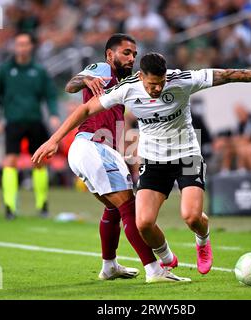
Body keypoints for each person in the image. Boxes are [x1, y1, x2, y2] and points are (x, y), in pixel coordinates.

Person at [32, 52, 251, 280]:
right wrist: (54, 140)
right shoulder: (128, 88)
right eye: (151, 85)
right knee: (144, 223)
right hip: (153, 160)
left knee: (191, 217)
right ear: (141, 78)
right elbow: (85, 110)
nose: (156, 90)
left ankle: (203, 241)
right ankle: (166, 259)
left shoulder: (183, 80)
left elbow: (229, 74)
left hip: (186, 155)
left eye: (160, 83)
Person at [63, 34, 185, 283]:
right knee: (129, 206)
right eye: (126, 53)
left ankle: (109, 266)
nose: (131, 58)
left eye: (134, 54)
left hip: (96, 149)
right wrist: (86, 78)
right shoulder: (103, 68)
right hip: (92, 146)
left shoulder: (126, 83)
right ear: (110, 54)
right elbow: (71, 85)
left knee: (114, 208)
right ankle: (154, 270)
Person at [0, 32, 60, 220]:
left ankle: (42, 204)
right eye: (18, 44)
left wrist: (53, 114)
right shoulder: (5, 70)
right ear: (15, 46)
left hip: (34, 120)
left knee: (39, 162)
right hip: (13, 121)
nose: (22, 47)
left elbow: (50, 94)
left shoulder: (39, 70)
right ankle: (9, 207)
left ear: (31, 47)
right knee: (10, 161)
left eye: (25, 44)